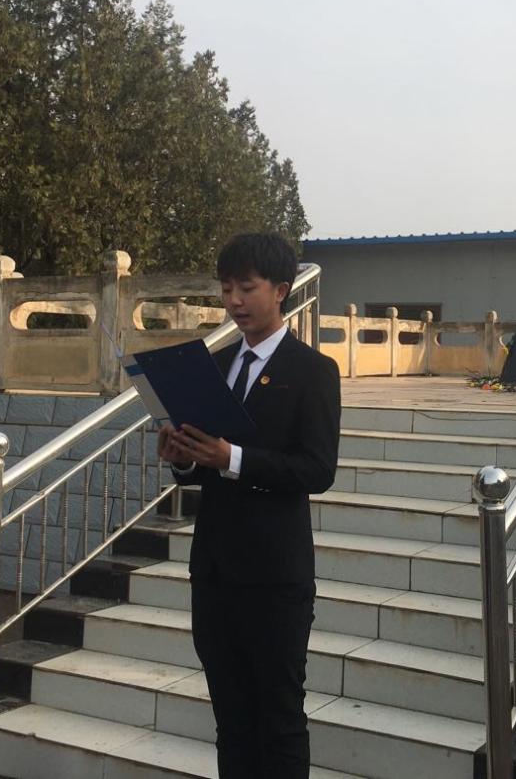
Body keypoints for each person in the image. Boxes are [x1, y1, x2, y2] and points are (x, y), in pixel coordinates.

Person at [157, 232, 340, 778]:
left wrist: (230, 457)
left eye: (246, 287)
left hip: (275, 577)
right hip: (215, 572)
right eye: (226, 288)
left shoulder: (313, 370)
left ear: (280, 291)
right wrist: (183, 459)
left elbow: (317, 470)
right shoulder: (216, 365)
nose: (234, 300)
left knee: (279, 717)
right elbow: (202, 468)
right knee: (231, 716)